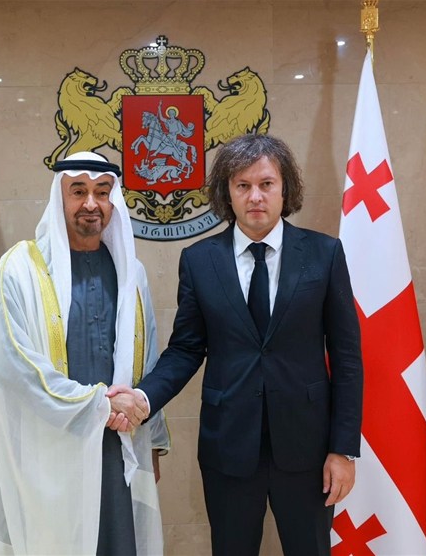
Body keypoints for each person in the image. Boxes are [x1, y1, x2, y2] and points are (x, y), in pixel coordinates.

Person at [115, 134, 363, 555]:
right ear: (227, 193)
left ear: (285, 189)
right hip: (228, 447)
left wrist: (343, 450)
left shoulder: (324, 254)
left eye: (266, 184)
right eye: (243, 185)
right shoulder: (199, 260)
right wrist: (143, 397)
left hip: (308, 449)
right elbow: (186, 349)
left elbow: (347, 359)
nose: (255, 197)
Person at [0, 151, 169, 555]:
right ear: (58, 198)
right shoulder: (20, 268)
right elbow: (15, 367)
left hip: (115, 445)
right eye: (78, 191)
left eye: (102, 192)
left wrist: (152, 440)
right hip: (48, 448)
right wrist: (97, 404)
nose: (91, 203)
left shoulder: (131, 272)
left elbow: (146, 359)